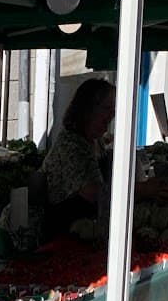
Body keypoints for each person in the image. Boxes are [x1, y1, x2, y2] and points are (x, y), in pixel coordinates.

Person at [41, 77, 115, 237]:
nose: (112, 115)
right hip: (56, 231)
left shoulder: (96, 142)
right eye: (107, 108)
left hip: (82, 227)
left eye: (113, 109)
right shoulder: (71, 145)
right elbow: (92, 192)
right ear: (88, 110)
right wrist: (140, 190)